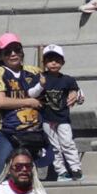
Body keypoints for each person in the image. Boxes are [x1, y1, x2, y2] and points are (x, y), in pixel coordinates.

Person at [0, 33, 47, 189]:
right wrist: (29, 101)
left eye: (16, 49)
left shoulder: (33, 71)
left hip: (31, 133)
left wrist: (74, 92)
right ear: (1, 55)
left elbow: (54, 83)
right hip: (6, 132)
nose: (13, 54)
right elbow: (1, 101)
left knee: (29, 178)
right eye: (7, 51)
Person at [39, 44, 84, 181]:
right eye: (49, 60)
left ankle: (76, 168)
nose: (53, 63)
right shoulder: (41, 79)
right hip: (47, 119)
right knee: (54, 147)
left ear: (63, 62)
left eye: (57, 60)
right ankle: (61, 171)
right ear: (44, 62)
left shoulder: (68, 80)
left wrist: (77, 95)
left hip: (63, 118)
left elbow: (77, 93)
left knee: (67, 143)